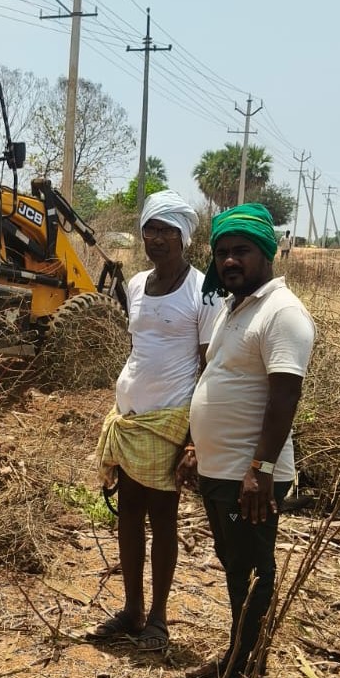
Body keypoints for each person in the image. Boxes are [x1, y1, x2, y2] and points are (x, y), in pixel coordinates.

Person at [177, 203, 315, 678]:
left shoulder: (284, 313)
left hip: (250, 475)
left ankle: (245, 674)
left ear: (266, 253)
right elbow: (219, 380)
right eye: (221, 253)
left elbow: (285, 396)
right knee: (236, 568)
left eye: (242, 251)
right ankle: (237, 656)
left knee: (254, 572)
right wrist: (196, 444)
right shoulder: (235, 309)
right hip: (223, 468)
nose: (230, 261)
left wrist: (259, 468)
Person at [92, 190, 222, 651]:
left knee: (163, 518)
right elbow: (139, 350)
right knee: (128, 514)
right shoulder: (137, 286)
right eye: (151, 229)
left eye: (168, 230)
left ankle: (158, 619)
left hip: (171, 421)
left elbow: (207, 368)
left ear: (184, 236)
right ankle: (131, 608)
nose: (158, 238)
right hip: (130, 418)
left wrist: (193, 440)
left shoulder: (204, 291)